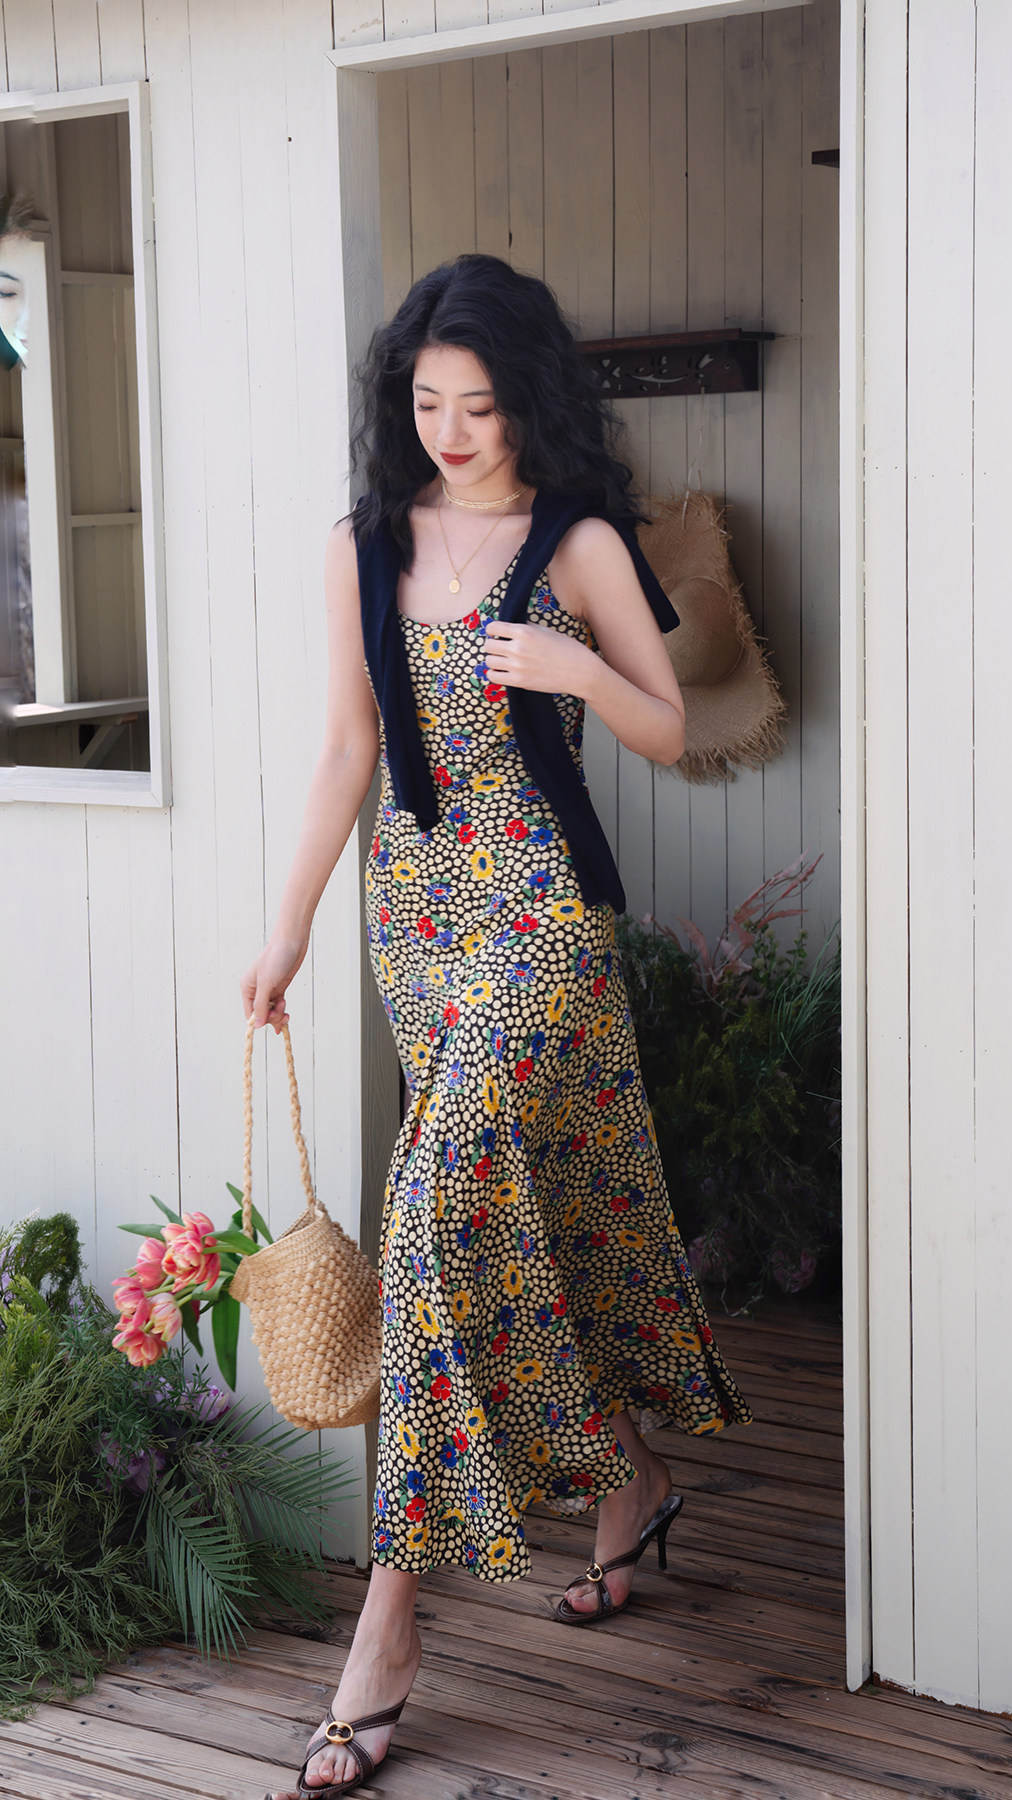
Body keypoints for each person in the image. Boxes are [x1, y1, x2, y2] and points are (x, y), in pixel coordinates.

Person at [241, 253, 751, 1800]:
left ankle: (389, 1624)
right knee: (528, 1220)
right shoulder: (363, 544)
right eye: (426, 404)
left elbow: (672, 726)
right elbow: (347, 750)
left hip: (541, 911)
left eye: (478, 404)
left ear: (528, 398)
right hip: (415, 916)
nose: (453, 433)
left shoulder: (577, 541)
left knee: (436, 1208)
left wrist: (576, 663)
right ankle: (631, 1476)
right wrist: (290, 921)